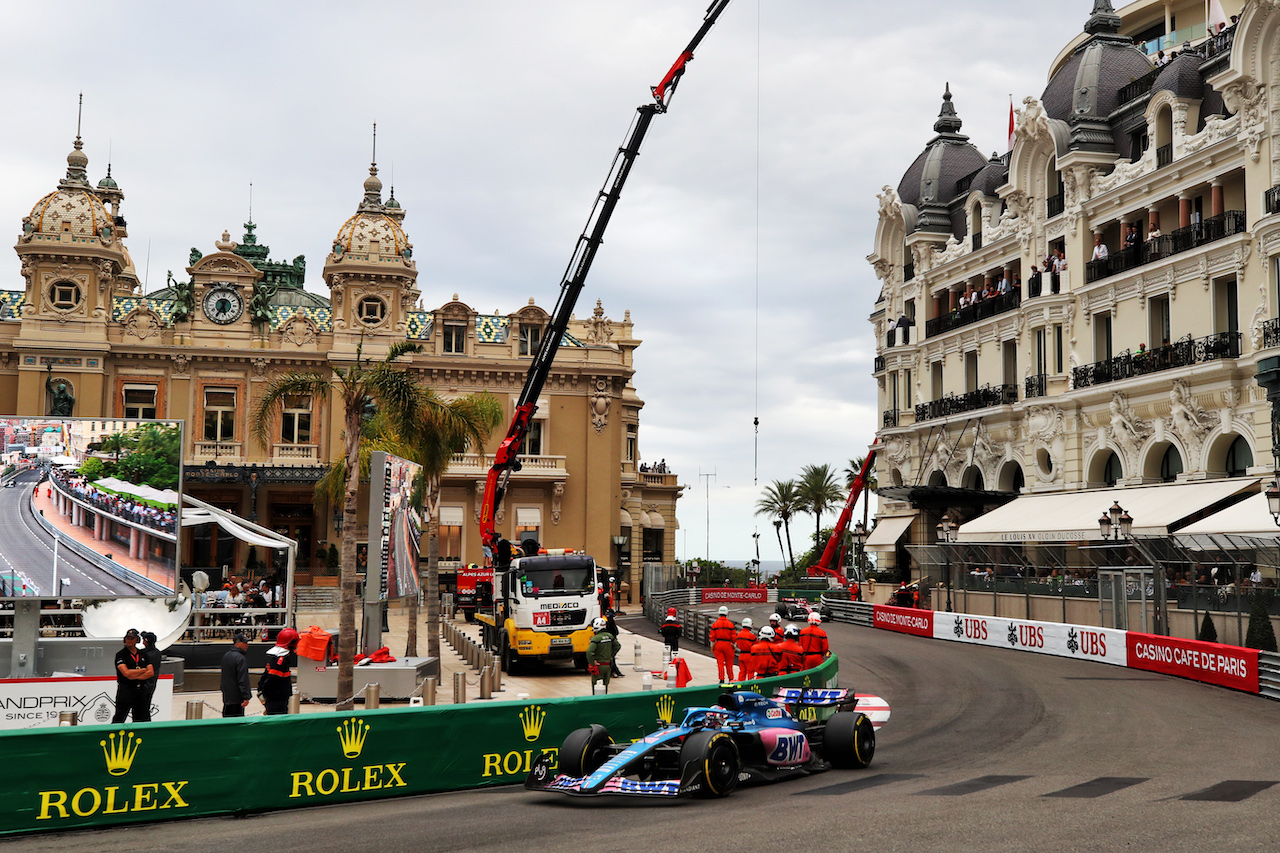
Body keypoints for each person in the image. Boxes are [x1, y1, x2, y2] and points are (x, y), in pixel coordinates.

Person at [112, 628, 154, 723]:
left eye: (132, 638)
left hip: (141, 690)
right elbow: (126, 673)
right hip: (126, 689)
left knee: (141, 717)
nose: (129, 640)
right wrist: (142, 670)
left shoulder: (143, 654)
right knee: (120, 716)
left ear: (137, 640)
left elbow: (151, 672)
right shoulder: (121, 655)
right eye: (128, 638)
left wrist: (134, 675)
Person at [258, 626, 298, 715]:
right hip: (277, 701)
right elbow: (271, 681)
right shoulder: (280, 661)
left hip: (276, 699)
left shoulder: (276, 659)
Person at [220, 632, 251, 717]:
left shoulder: (226, 656)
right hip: (237, 698)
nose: (247, 645)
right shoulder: (240, 658)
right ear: (238, 643)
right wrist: (246, 696)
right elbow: (243, 679)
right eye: (245, 643)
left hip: (228, 697)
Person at [586, 617, 617, 694]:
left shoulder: (596, 638)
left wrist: (592, 662)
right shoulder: (610, 636)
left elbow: (589, 651)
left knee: (596, 686)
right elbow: (617, 646)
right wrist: (611, 655)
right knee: (605, 686)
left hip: (599, 666)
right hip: (608, 666)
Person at [709, 605, 736, 683]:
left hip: (719, 644)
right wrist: (733, 644)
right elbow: (734, 637)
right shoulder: (730, 624)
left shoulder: (715, 624)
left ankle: (721, 679)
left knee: (720, 663)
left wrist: (713, 646)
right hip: (728, 644)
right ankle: (731, 678)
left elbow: (712, 637)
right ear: (727, 613)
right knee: (729, 663)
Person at [139, 630, 162, 712]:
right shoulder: (157, 653)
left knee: (142, 708)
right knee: (144, 707)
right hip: (150, 685)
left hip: (145, 685)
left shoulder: (147, 654)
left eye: (143, 639)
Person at [604, 609, 625, 678]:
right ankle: (612, 671)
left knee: (612, 657)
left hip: (612, 641)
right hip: (610, 641)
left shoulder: (608, 623)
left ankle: (615, 671)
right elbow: (616, 632)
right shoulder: (610, 624)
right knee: (611, 657)